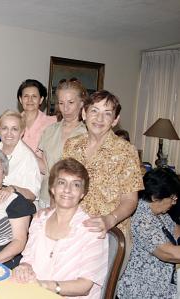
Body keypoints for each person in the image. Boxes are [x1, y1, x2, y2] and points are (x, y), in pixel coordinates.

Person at [62, 90, 143, 263]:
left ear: (115, 120)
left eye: (107, 114)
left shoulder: (126, 151)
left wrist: (109, 220)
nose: (99, 119)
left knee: (100, 290)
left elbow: (130, 200)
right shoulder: (71, 145)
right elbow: (62, 186)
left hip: (107, 236)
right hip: (73, 230)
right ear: (84, 113)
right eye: (94, 111)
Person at [13, 158, 108, 298]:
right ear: (52, 188)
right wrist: (25, 268)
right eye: (62, 183)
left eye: (76, 185)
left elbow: (84, 286)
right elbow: (28, 259)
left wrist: (43, 285)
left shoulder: (91, 229)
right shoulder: (39, 220)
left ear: (83, 193)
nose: (67, 190)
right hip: (34, 292)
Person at [117, 168, 180, 299]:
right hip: (143, 291)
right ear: (155, 197)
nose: (175, 202)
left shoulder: (158, 212)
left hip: (161, 287)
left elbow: (175, 229)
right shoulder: (141, 219)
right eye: (172, 197)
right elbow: (169, 254)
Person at [36, 79, 87, 208]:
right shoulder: (50, 130)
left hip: (72, 199)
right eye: (61, 103)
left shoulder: (87, 133)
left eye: (71, 102)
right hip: (47, 196)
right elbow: (45, 167)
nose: (66, 108)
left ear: (81, 103)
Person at [0, 110, 41, 202]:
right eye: (4, 128)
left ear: (22, 132)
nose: (9, 133)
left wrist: (13, 189)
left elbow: (32, 194)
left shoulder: (28, 157)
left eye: (14, 129)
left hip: (19, 207)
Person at [18, 79, 56, 152]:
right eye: (26, 96)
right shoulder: (13, 122)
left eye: (34, 96)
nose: (30, 100)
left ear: (41, 99)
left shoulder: (52, 122)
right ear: (20, 99)